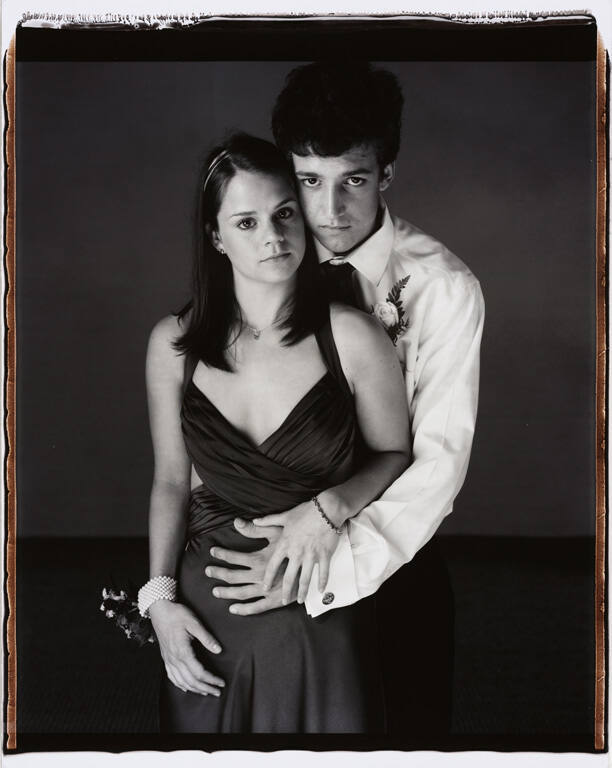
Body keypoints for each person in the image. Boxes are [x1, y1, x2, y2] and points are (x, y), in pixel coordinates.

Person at [204, 62, 485, 735]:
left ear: (386, 173)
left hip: (390, 562)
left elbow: (438, 463)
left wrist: (325, 550)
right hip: (265, 554)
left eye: (353, 181)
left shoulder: (443, 289)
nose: (328, 212)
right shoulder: (263, 253)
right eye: (308, 182)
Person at [139, 132, 411, 733]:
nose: (273, 236)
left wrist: (328, 510)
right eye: (247, 221)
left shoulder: (353, 337)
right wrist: (158, 600)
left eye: (286, 213)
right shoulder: (172, 345)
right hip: (207, 605)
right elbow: (169, 481)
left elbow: (395, 454)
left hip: (317, 588)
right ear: (216, 237)